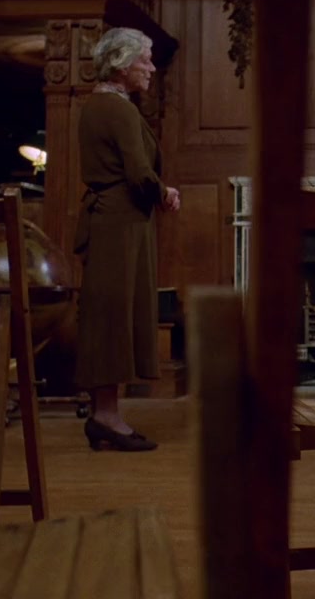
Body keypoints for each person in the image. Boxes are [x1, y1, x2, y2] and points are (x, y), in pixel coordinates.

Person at [73, 27, 180, 451]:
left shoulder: (99, 105)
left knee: (110, 314)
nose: (151, 68)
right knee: (113, 317)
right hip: (120, 224)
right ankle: (106, 417)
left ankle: (105, 414)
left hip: (117, 221)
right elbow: (138, 172)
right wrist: (164, 193)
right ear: (121, 64)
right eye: (145, 60)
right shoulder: (117, 110)